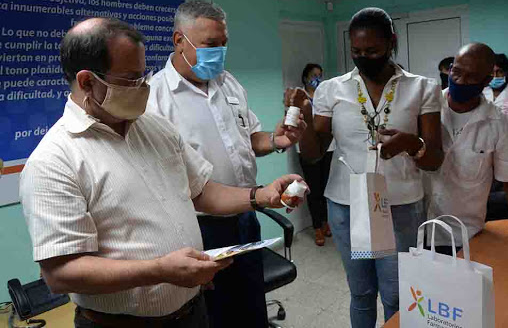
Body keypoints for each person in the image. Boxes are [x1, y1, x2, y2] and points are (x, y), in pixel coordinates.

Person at [19, 17, 305, 328]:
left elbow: (201, 191)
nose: (142, 88)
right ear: (88, 82)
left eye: (143, 76)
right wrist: (159, 270)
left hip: (191, 311)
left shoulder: (152, 126)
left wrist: (262, 195)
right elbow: (60, 274)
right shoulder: (54, 161)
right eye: (131, 80)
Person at [146, 0, 306, 328]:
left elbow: (248, 140)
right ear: (179, 41)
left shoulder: (228, 83)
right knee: (212, 315)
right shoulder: (155, 99)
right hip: (198, 227)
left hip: (246, 218)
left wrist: (277, 141)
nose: (218, 53)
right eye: (209, 45)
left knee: (250, 308)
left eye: (223, 44)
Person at [288, 7, 444, 327]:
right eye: (356, 52)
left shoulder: (423, 88)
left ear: (392, 43)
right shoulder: (331, 89)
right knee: (361, 293)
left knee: (396, 294)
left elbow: (434, 159)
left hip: (400, 206)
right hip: (346, 205)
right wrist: (302, 122)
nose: (363, 57)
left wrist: (410, 144)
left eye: (372, 50)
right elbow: (315, 154)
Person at [426, 43, 508, 254]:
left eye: (471, 77)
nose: (459, 81)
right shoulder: (426, 107)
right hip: (416, 227)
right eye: (456, 72)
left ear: (486, 80)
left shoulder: (498, 124)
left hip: (463, 235)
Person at [297, 63, 333, 246]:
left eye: (320, 75)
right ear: (305, 78)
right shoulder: (299, 97)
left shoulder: (325, 95)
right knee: (314, 189)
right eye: (313, 75)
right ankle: (317, 227)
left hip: (328, 147)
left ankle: (327, 222)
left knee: (326, 187)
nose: (317, 79)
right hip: (308, 149)